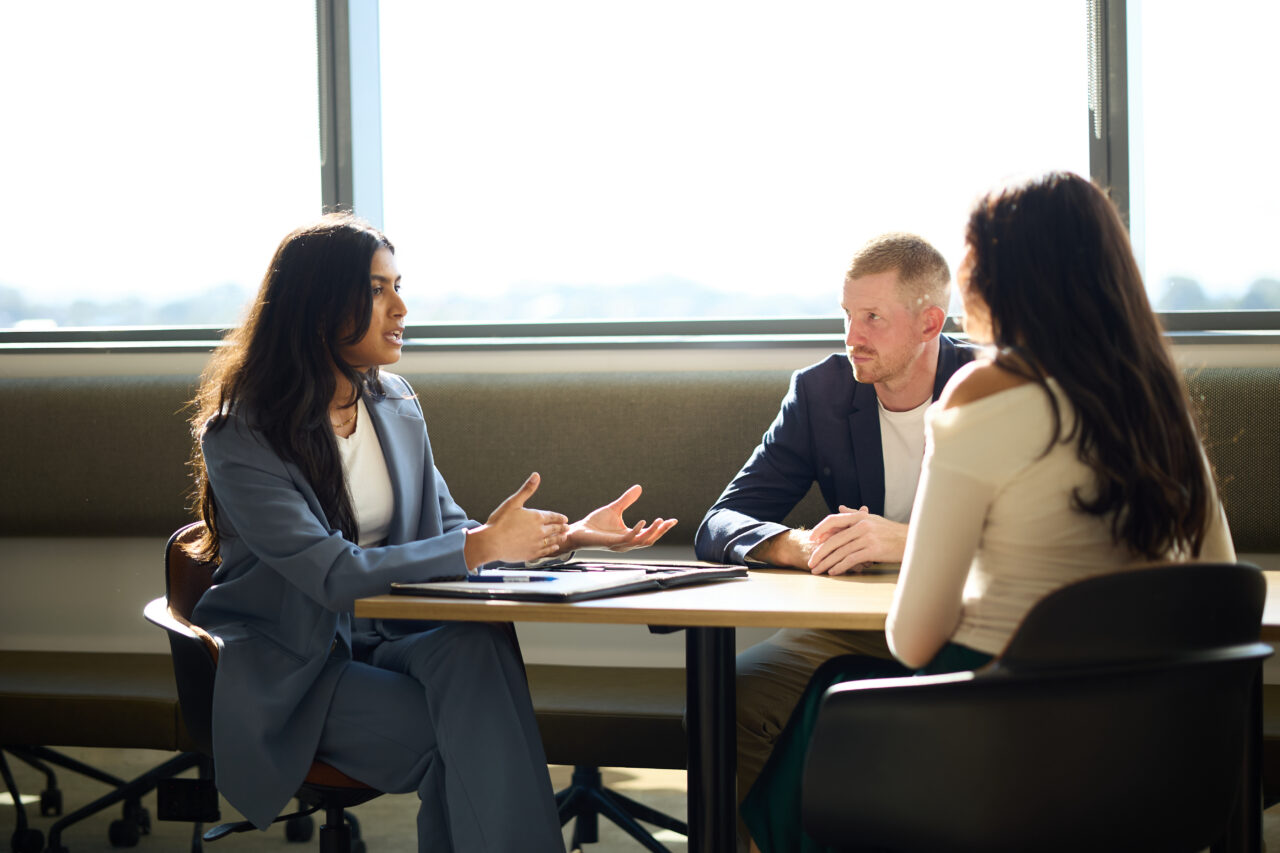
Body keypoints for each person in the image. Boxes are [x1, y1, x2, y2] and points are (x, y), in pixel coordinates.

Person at [739, 171, 1237, 853]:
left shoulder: (980, 395)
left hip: (1005, 755)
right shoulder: (1164, 409)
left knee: (830, 702)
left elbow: (913, 640)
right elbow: (1219, 586)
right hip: (1154, 755)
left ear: (994, 283)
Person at [185, 213, 676, 853]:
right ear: (316, 306)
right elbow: (330, 574)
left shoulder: (395, 403)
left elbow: (450, 535)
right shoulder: (241, 433)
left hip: (391, 635)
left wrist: (567, 536)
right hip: (301, 668)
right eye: (377, 289)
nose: (401, 306)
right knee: (470, 742)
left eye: (398, 285)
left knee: (476, 648)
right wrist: (481, 546)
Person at [693, 232, 973, 805]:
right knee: (727, 698)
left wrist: (910, 542)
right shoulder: (819, 393)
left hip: (971, 623)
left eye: (873, 318)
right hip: (852, 630)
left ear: (929, 323)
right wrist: (790, 545)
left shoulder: (993, 387)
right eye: (847, 315)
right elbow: (720, 522)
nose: (853, 338)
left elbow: (1030, 538)